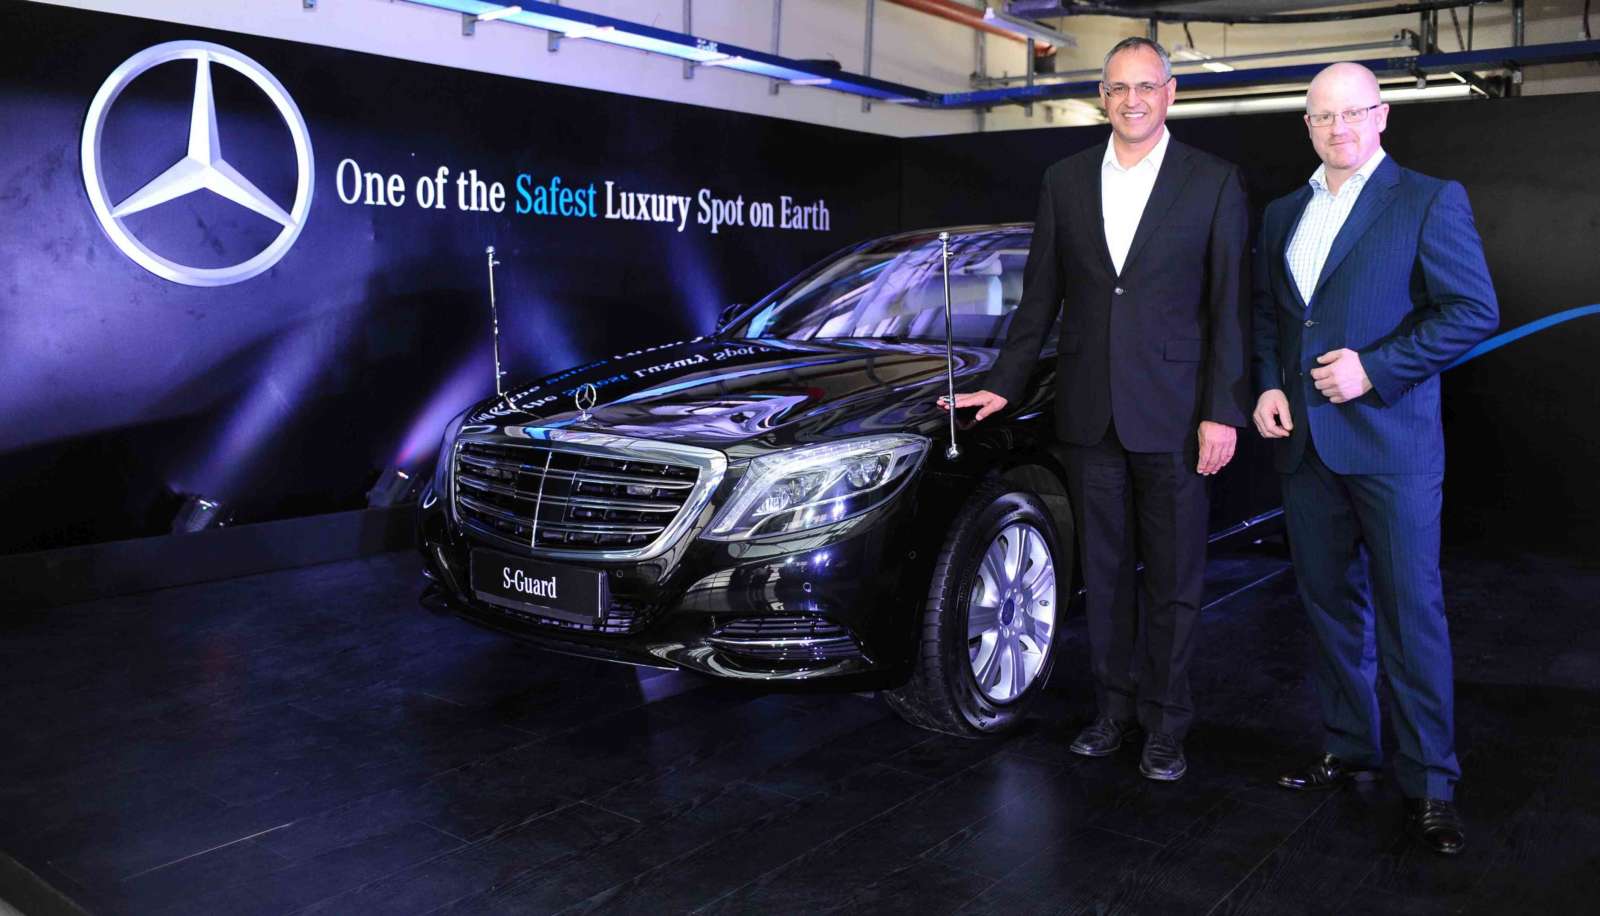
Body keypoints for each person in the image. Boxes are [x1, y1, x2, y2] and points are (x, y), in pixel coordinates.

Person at [945, 36, 1251, 782]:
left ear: (1170, 93)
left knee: (1173, 580)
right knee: (1105, 576)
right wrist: (1006, 382)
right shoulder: (1066, 179)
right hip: (1088, 412)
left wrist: (1223, 411)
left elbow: (1231, 307)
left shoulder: (1214, 182)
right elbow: (1040, 297)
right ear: (1102, 96)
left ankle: (1166, 724)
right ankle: (1112, 712)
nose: (1132, 99)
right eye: (1118, 87)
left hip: (1177, 415)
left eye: (1146, 86)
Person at [1251, 62, 1498, 855]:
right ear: (1308, 125)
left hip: (1392, 447)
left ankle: (1430, 784)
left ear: (1382, 116)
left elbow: (1473, 310)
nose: (1340, 128)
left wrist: (1376, 368)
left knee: (1409, 615)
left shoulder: (1427, 198)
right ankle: (1349, 745)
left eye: (1354, 112)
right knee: (1328, 607)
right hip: (1306, 447)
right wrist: (1268, 385)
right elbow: (1272, 316)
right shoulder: (1284, 212)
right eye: (1324, 116)